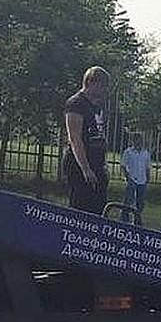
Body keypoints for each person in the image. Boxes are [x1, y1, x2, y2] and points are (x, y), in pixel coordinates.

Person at [62, 66, 111, 214]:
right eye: (102, 85)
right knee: (81, 207)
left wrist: (103, 165)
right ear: (91, 82)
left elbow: (98, 135)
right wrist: (86, 169)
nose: (104, 90)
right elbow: (75, 138)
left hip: (97, 163)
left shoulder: (96, 106)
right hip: (80, 164)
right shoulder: (76, 104)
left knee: (98, 207)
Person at [119, 132, 149, 225]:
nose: (138, 141)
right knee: (128, 200)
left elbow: (147, 166)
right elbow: (123, 165)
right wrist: (127, 177)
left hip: (142, 179)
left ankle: (137, 220)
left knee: (140, 202)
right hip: (132, 179)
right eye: (135, 139)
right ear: (133, 141)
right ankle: (124, 219)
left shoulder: (146, 153)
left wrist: (148, 177)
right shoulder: (128, 152)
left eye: (139, 139)